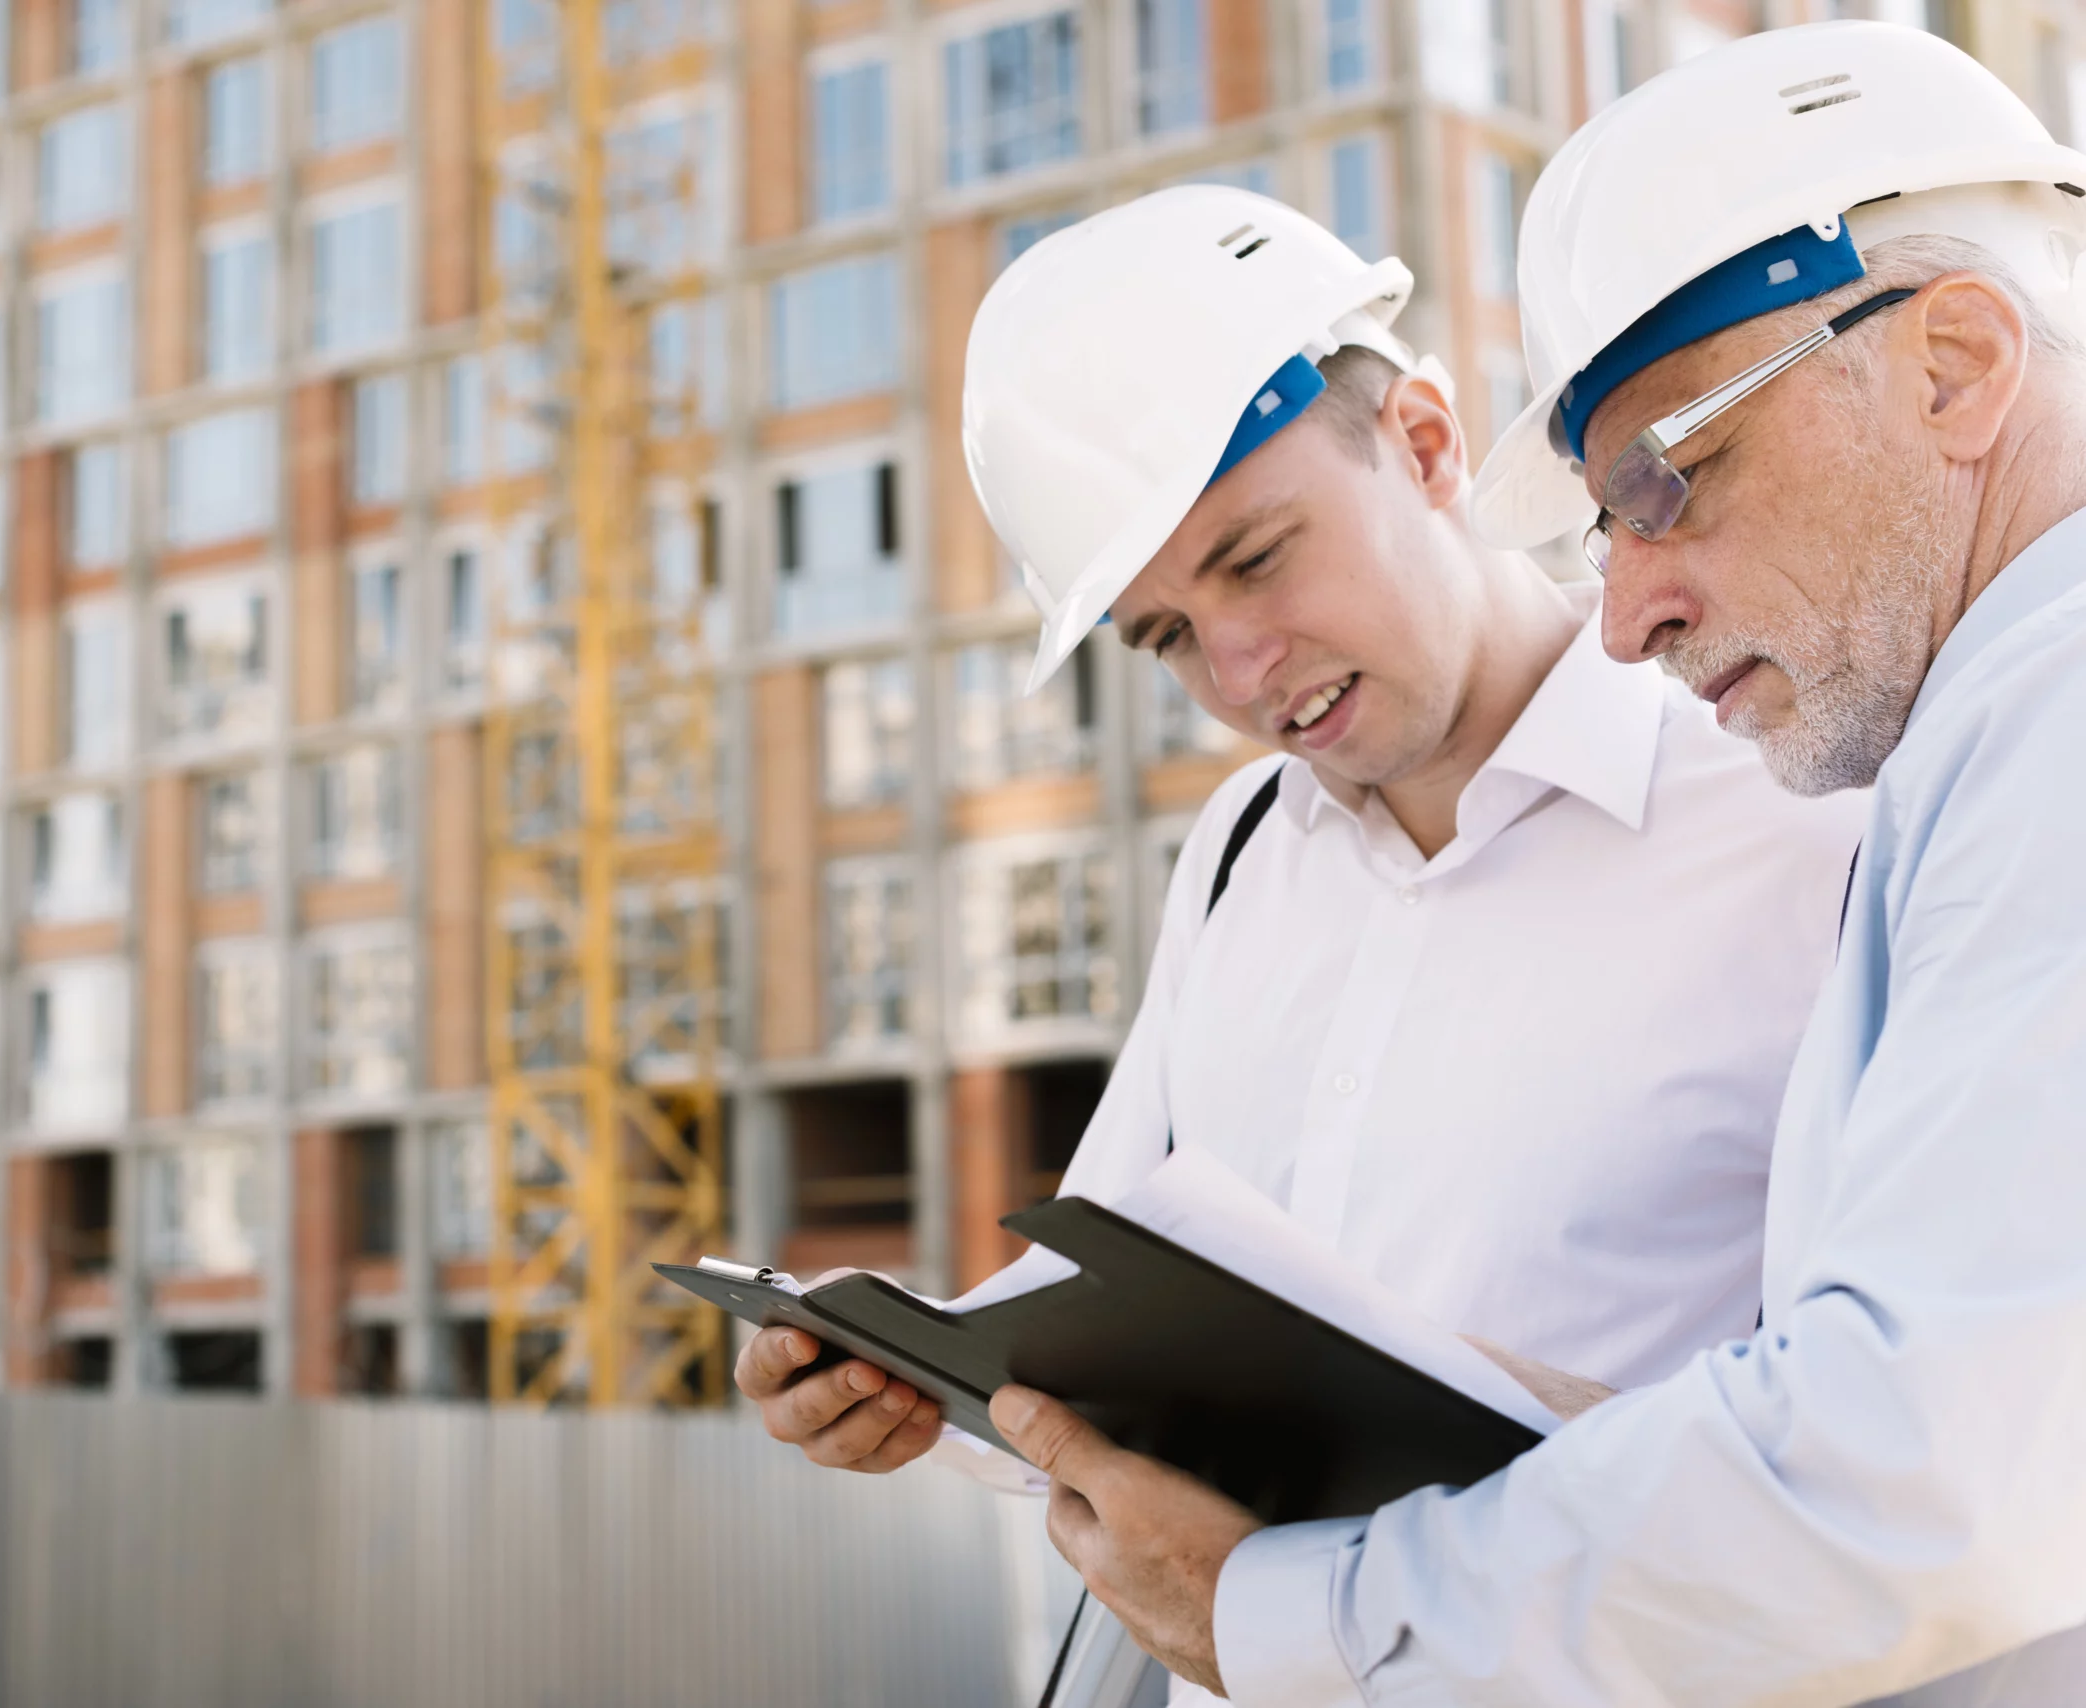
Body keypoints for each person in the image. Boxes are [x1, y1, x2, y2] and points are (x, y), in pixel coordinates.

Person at [985, 22, 2086, 1704]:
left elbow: (1920, 1471)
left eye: (1666, 481)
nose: (1628, 613)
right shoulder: (1243, 865)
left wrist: (1302, 1611)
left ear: (1952, 367)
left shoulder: (1948, 756)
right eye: (1165, 640)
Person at [732, 186, 1863, 1698]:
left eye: (1258, 560)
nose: (1244, 668)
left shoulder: (1806, 816)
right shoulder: (1242, 854)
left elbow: (1895, 1449)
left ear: (1426, 444)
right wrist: (915, 1382)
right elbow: (1109, 1302)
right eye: (1170, 638)